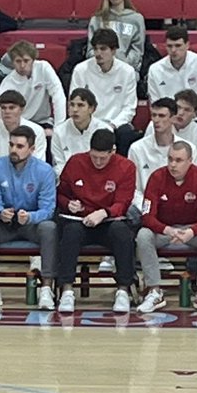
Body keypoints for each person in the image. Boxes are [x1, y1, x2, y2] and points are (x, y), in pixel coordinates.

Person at [0, 126, 57, 311]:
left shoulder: (44, 171)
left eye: (20, 146)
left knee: (49, 228)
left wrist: (30, 216)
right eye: (11, 145)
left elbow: (48, 209)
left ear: (32, 149)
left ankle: (46, 288)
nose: (14, 150)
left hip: (32, 224)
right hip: (6, 223)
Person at [56, 128, 136, 314]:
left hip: (109, 221)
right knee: (70, 233)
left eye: (103, 158)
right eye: (94, 157)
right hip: (79, 219)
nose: (98, 162)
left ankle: (123, 289)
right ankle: (66, 289)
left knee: (122, 234)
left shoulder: (126, 167)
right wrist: (69, 204)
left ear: (113, 152)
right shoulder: (76, 162)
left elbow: (123, 202)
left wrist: (104, 212)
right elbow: (61, 194)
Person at [135, 140, 197, 316]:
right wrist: (167, 230)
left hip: (192, 230)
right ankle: (154, 291)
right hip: (164, 230)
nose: (173, 165)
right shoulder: (156, 177)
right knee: (143, 235)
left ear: (190, 160)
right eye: (170, 159)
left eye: (179, 160)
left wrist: (191, 232)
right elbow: (147, 216)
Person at [70, 28, 138, 153]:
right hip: (88, 122)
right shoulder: (81, 70)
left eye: (103, 49)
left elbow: (129, 108)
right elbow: (75, 102)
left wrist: (112, 125)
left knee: (126, 133)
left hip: (116, 125)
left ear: (113, 50)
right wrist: (92, 124)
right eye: (95, 49)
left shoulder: (127, 72)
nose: (98, 53)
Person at [0, 40, 66, 141]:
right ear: (12, 62)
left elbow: (58, 96)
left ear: (33, 60)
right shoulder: (6, 85)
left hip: (44, 122)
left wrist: (59, 129)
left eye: (26, 60)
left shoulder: (43, 67)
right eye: (18, 61)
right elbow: (5, 117)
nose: (22, 65)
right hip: (20, 126)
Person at [146, 26, 197, 117]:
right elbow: (155, 103)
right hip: (169, 121)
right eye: (170, 46)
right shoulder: (155, 69)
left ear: (187, 45)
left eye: (178, 45)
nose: (173, 50)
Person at [128, 96, 189, 201]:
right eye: (154, 115)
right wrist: (147, 209)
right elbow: (133, 188)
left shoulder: (188, 148)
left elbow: (191, 183)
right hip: (145, 204)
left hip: (177, 205)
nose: (156, 120)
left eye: (161, 116)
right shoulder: (136, 149)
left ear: (173, 118)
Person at [0, 89, 45, 180]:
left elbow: (38, 165)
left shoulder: (37, 131)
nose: (7, 111)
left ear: (21, 109)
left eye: (12, 108)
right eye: (3, 108)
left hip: (28, 184)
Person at [85, 0, 145, 73]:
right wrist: (105, 63)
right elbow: (91, 50)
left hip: (127, 68)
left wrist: (122, 64)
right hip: (100, 68)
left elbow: (137, 50)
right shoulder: (97, 19)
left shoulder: (136, 19)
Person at [50, 87, 113, 177]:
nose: (75, 110)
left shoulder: (105, 129)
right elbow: (59, 164)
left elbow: (107, 162)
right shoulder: (59, 132)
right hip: (69, 179)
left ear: (91, 109)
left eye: (80, 105)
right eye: (72, 105)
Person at [173, 90, 197, 167]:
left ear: (195, 114)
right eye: (178, 107)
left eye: (187, 110)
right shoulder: (156, 125)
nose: (180, 113)